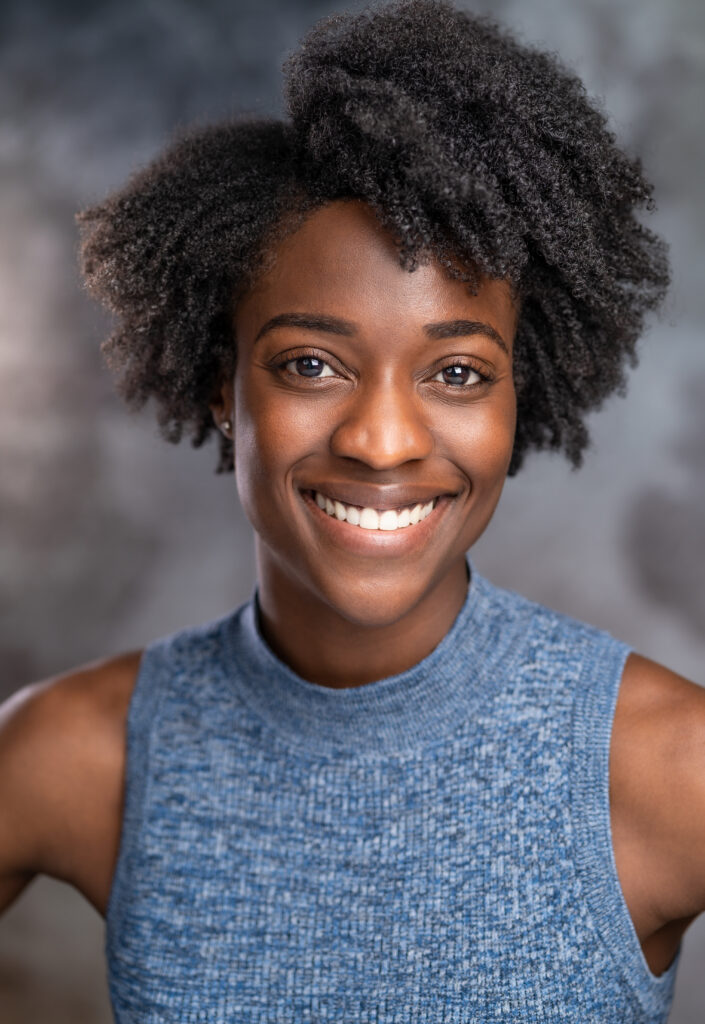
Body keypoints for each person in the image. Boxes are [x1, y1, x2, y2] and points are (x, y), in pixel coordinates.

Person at [1, 0, 703, 1020]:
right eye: (311, 364)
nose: (381, 439)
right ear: (220, 386)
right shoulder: (84, 753)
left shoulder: (664, 764)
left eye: (458, 371)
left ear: (522, 392)